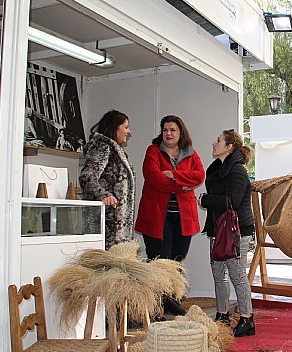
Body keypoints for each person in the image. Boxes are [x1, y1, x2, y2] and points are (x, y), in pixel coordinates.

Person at [135, 115, 205, 315]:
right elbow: (154, 177)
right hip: (158, 216)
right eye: (165, 130)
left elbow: (199, 176)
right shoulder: (153, 151)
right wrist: (183, 184)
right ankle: (159, 304)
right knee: (159, 261)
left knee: (177, 260)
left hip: (183, 218)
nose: (168, 134)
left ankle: (171, 300)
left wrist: (173, 174)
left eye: (173, 130)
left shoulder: (190, 153)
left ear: (180, 132)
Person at [198, 130, 256, 337]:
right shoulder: (216, 170)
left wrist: (205, 200)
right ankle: (222, 315)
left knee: (237, 276)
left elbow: (232, 200)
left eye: (218, 140)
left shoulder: (237, 171)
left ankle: (247, 319)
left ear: (229, 146)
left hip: (237, 231)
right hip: (218, 229)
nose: (214, 143)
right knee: (218, 275)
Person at [79, 109, 135, 249]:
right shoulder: (103, 147)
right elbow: (87, 176)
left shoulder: (117, 152)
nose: (129, 132)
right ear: (115, 127)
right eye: (126, 127)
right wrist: (103, 195)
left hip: (115, 224)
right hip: (105, 222)